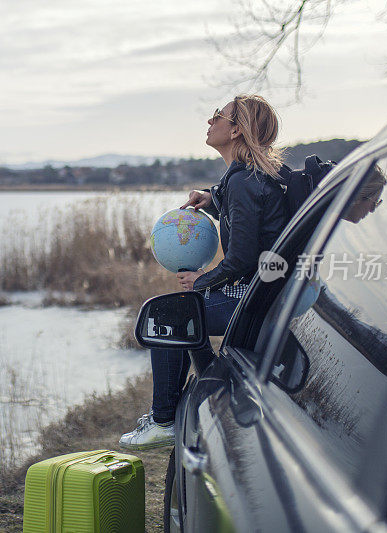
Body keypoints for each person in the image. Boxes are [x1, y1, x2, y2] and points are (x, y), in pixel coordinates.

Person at [119, 94, 289, 450]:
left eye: (217, 117)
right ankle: (209, 385)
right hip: (264, 295)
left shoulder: (243, 182)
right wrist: (214, 197)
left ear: (237, 129)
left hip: (253, 300)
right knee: (185, 310)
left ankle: (164, 419)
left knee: (169, 317)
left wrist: (203, 280)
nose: (209, 123)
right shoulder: (244, 179)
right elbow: (254, 222)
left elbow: (242, 258)